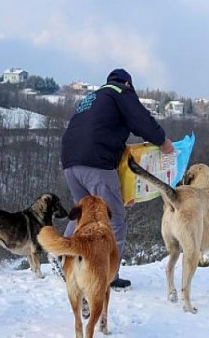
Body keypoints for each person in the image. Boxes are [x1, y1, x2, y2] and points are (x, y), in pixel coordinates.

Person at [56, 68, 174, 290]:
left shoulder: (94, 98)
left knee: (83, 214)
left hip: (70, 162)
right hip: (96, 162)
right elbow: (141, 120)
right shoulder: (120, 92)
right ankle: (108, 275)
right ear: (128, 84)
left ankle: (62, 256)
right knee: (115, 219)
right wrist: (162, 141)